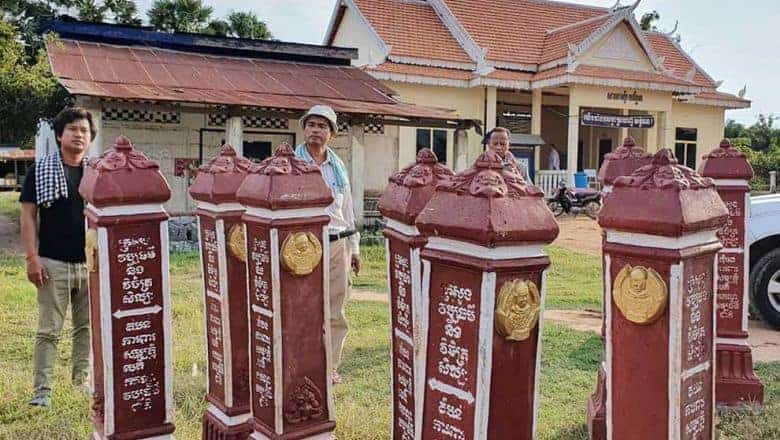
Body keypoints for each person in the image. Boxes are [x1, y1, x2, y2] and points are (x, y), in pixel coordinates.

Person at [19, 107, 96, 407]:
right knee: (49, 330)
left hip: (89, 264)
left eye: (85, 131)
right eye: (73, 129)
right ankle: (42, 392)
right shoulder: (40, 170)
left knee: (86, 328)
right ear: (60, 134)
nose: (79, 135)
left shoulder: (96, 173)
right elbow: (28, 216)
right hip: (52, 263)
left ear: (90, 138)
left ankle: (81, 382)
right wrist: (31, 258)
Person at [294, 105, 361, 384]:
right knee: (301, 308)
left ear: (331, 134)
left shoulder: (338, 167)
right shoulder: (291, 164)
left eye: (322, 126)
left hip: (338, 243)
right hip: (301, 245)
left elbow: (348, 210)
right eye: (311, 125)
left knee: (335, 310)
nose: (316, 131)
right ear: (304, 129)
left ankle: (330, 366)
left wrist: (355, 249)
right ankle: (300, 363)